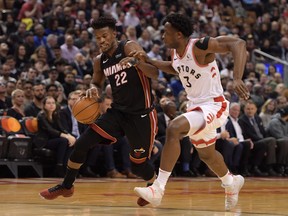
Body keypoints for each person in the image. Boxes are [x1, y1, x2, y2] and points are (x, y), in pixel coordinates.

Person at [131, 13, 250, 210]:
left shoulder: (199, 45)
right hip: (196, 107)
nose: (162, 36)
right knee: (207, 155)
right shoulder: (175, 53)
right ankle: (231, 181)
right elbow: (174, 67)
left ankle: (158, 188)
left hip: (214, 105)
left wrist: (237, 77)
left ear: (178, 34)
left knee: (174, 129)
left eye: (166, 33)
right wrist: (147, 61)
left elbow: (238, 43)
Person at [39, 15, 159, 199]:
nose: (101, 40)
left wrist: (137, 62)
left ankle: (154, 187)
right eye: (97, 37)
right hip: (117, 113)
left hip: (141, 115)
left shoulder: (129, 47)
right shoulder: (100, 60)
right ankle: (67, 185)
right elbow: (96, 83)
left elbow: (155, 73)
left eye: (104, 36)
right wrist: (94, 90)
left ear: (114, 33)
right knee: (81, 144)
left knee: (138, 165)